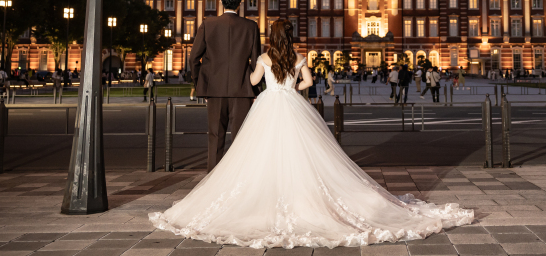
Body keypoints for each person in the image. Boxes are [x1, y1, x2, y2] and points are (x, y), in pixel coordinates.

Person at [150, 18, 473, 246]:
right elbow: (307, 82)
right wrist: (292, 87)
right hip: (292, 103)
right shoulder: (298, 55)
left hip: (269, 103)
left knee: (259, 150)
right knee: (305, 151)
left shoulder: (264, 56)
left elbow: (250, 83)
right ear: (290, 37)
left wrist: (260, 80)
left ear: (271, 37)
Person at [189, 0, 261, 172]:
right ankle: (239, 178)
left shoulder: (208, 24)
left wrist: (200, 85)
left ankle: (213, 178)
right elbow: (256, 63)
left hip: (214, 89)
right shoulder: (251, 27)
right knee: (241, 138)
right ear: (240, 2)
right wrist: (256, 90)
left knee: (215, 136)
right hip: (242, 89)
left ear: (221, 1)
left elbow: (194, 58)